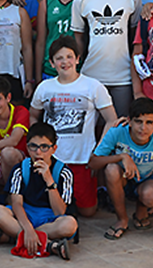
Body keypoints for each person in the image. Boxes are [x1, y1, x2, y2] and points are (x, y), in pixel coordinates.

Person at [30, 36, 118, 217]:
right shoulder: (45, 87)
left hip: (82, 160)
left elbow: (112, 120)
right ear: (52, 63)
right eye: (59, 58)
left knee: (88, 212)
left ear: (78, 59)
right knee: (51, 207)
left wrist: (98, 152)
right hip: (52, 160)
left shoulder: (93, 86)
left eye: (69, 57)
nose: (65, 62)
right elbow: (33, 115)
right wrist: (38, 148)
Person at [89, 97, 153, 240]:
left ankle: (141, 211)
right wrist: (122, 157)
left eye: (149, 123)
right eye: (138, 122)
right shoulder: (117, 132)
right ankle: (122, 219)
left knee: (151, 194)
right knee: (111, 169)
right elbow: (93, 163)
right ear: (129, 121)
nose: (143, 128)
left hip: (147, 180)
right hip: (123, 180)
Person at [0, 122, 77, 260]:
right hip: (25, 214)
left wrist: (49, 180)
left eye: (44, 147)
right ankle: (47, 245)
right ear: (27, 148)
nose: (38, 152)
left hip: (49, 218)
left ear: (54, 149)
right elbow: (16, 203)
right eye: (33, 147)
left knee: (70, 225)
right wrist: (28, 229)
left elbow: (60, 211)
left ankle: (13, 237)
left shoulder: (64, 172)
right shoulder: (20, 169)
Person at [72, 0, 141, 117]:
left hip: (123, 76)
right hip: (91, 75)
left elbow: (134, 35)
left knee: (121, 125)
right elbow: (78, 39)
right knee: (91, 129)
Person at [35, 0, 79, 83]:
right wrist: (37, 77)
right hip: (51, 69)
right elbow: (40, 42)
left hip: (76, 68)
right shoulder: (46, 3)